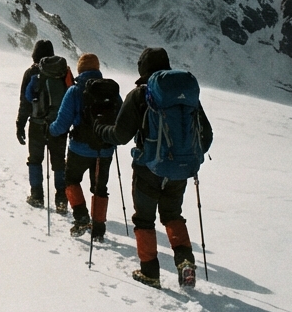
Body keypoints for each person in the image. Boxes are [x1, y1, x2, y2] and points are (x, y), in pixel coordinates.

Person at [95, 46, 213, 289]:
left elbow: (120, 135)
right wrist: (188, 157)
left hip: (147, 170)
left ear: (143, 69)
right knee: (172, 215)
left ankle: (150, 272)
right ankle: (185, 262)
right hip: (180, 171)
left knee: (144, 220)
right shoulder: (187, 96)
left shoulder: (140, 95)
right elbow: (207, 134)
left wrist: (99, 129)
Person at [46, 53, 121, 240]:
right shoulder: (112, 91)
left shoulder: (75, 90)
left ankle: (81, 216)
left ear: (80, 69)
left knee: (71, 180)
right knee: (99, 188)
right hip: (104, 150)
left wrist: (50, 130)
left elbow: (62, 124)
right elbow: (121, 119)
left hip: (79, 148)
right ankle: (98, 228)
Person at [17, 39, 72, 210]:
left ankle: (37, 195)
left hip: (36, 123)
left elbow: (24, 102)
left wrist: (20, 124)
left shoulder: (30, 73)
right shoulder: (63, 71)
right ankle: (62, 199)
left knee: (35, 160)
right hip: (59, 124)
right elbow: (72, 97)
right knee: (59, 162)